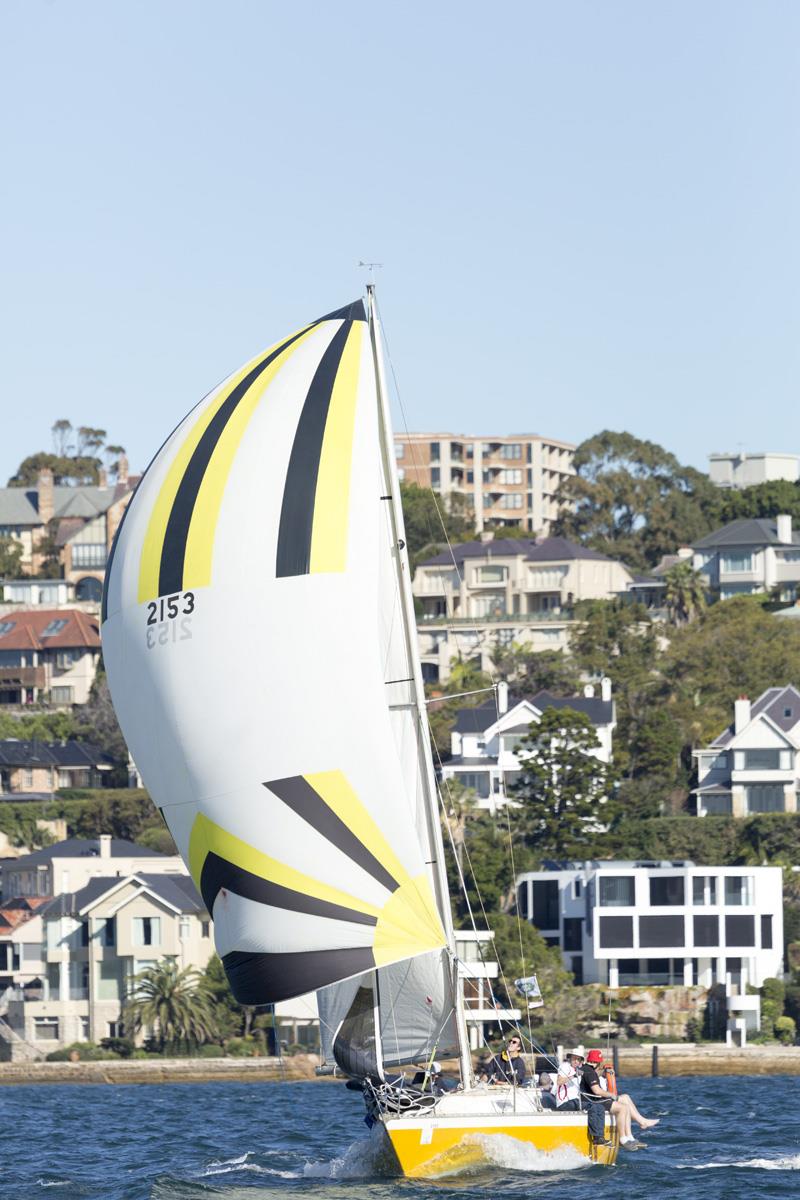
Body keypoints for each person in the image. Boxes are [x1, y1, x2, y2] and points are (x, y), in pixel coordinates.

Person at [580, 1048, 659, 1151]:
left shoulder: (588, 1069)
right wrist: (612, 1095)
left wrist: (604, 1070)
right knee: (623, 1108)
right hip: (592, 1101)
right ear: (599, 1062)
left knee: (625, 1097)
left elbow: (593, 1078)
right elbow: (597, 1091)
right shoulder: (589, 1072)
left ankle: (634, 1132)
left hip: (594, 1098)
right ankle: (622, 1139)